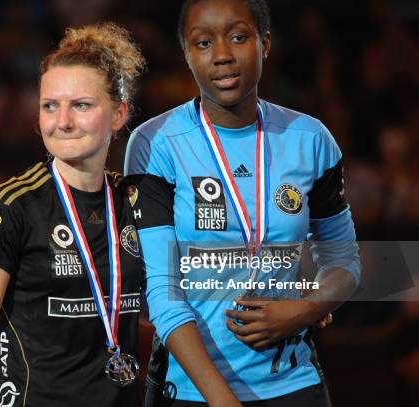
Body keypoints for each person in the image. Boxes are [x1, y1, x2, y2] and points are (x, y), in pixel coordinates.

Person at [124, 1, 360, 406]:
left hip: (294, 384)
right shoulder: (155, 143)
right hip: (191, 391)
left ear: (264, 43)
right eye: (202, 43)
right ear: (185, 52)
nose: (222, 56)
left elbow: (344, 260)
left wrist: (304, 308)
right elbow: (161, 291)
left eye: (238, 37)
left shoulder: (310, 138)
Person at [0, 22, 146, 407]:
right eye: (50, 106)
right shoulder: (11, 205)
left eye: (81, 105)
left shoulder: (132, 201)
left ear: (119, 114)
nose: (63, 121)